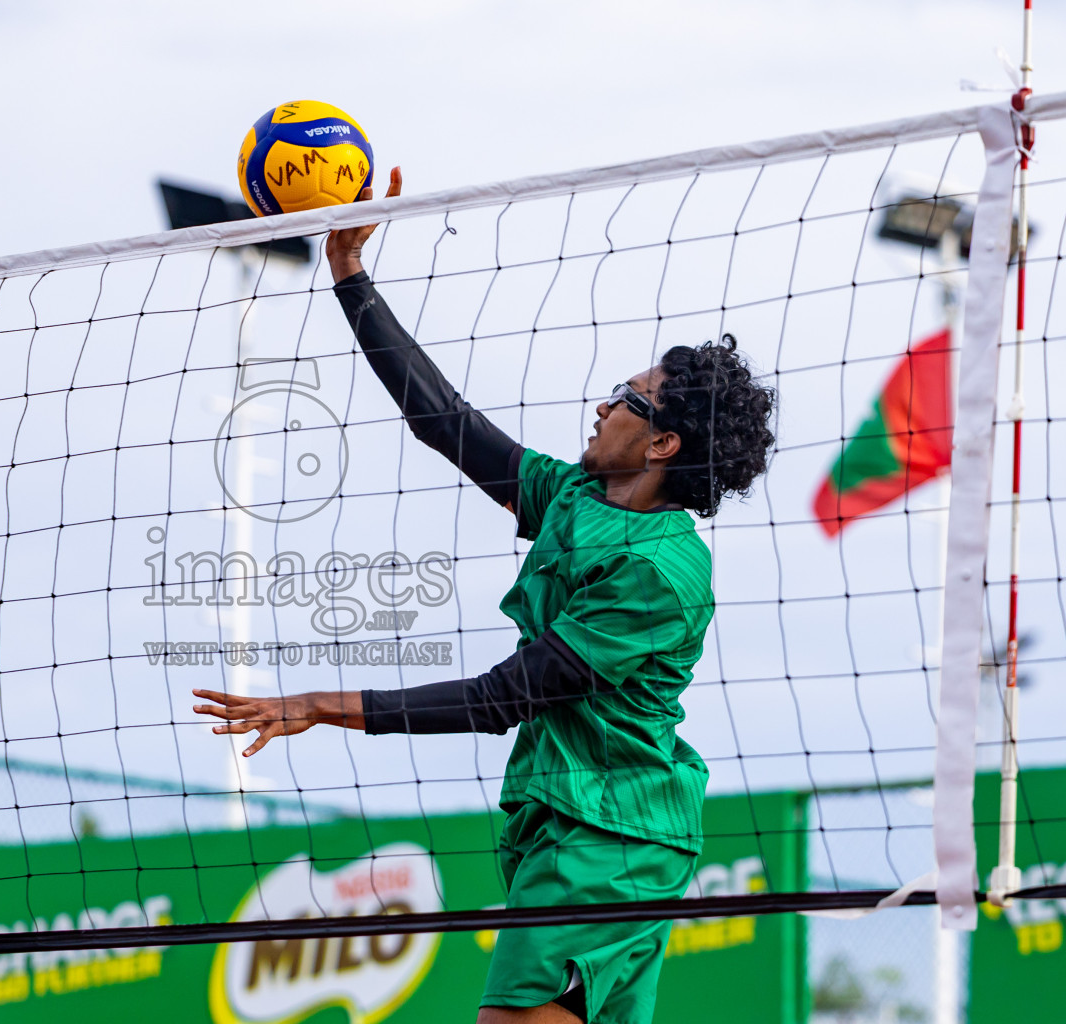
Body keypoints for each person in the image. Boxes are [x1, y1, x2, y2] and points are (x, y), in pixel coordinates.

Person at [193, 168, 777, 1024]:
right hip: (570, 821)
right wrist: (350, 279)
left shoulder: (660, 571)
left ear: (662, 441)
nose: (601, 405)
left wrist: (319, 702)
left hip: (611, 838)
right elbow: (446, 425)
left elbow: (501, 697)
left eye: (625, 398)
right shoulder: (576, 497)